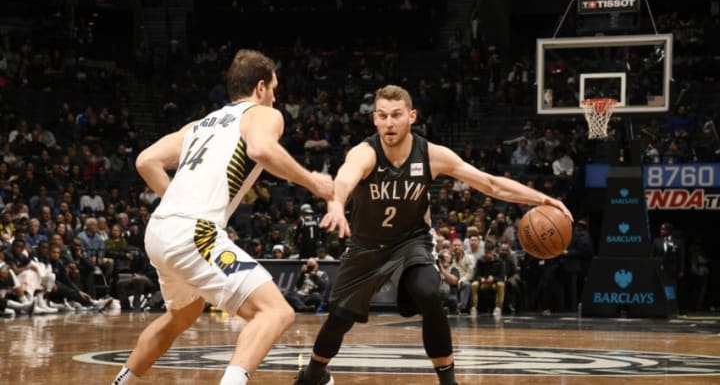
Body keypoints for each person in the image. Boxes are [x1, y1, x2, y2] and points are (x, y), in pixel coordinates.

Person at [294, 85, 572, 385]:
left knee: (429, 292)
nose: (389, 123)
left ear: (411, 116)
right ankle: (314, 372)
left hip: (411, 241)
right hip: (367, 245)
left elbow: (490, 184)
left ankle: (448, 382)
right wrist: (335, 206)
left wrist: (540, 199)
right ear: (374, 119)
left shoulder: (431, 154)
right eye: (383, 116)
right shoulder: (364, 153)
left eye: (397, 115)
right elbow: (343, 181)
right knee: (339, 319)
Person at [111, 49, 333, 385]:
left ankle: (121, 382)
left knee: (182, 315)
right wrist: (313, 180)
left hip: (159, 230)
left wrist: (176, 201)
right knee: (275, 312)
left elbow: (146, 161)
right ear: (260, 88)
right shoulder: (262, 114)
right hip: (193, 231)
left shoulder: (200, 124)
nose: (275, 95)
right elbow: (260, 149)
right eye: (274, 88)